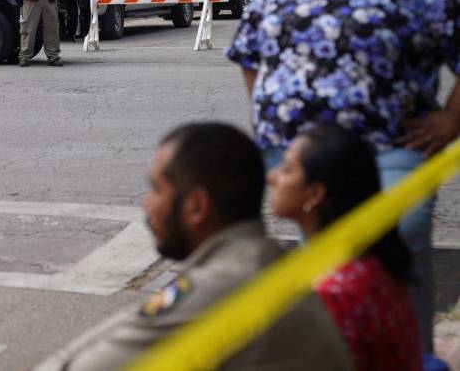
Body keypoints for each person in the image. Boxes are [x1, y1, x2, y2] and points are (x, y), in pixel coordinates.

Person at [226, 0, 460, 350]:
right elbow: (248, 52)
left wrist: (452, 118)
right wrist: (270, 124)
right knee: (328, 273)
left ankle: (407, 355)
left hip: (388, 149)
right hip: (303, 157)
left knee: (395, 251)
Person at [34, 123, 352, 371]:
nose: (146, 205)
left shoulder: (225, 284)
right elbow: (126, 329)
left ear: (197, 207)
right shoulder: (261, 261)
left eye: (156, 190)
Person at [268, 125, 422, 370]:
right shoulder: (370, 264)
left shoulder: (335, 291)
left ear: (315, 194)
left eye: (286, 169)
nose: (272, 177)